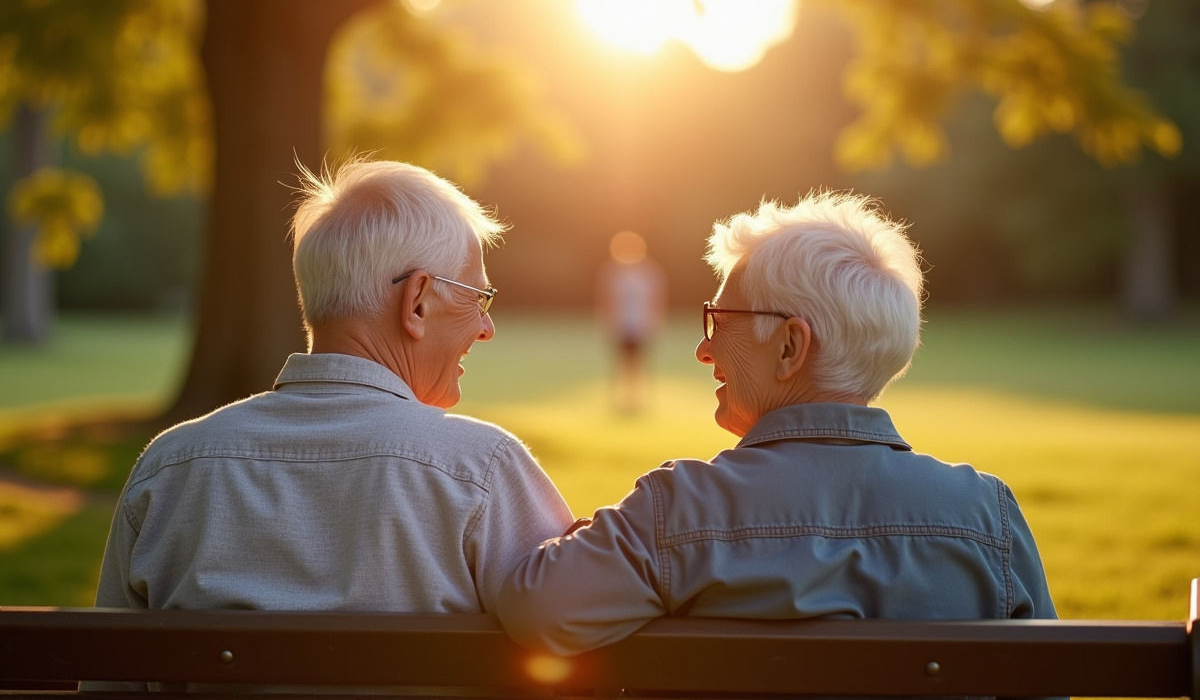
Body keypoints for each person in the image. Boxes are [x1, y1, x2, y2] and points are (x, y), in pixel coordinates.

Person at [496, 190, 1056, 655]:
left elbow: (533, 609)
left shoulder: (682, 509)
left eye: (720, 321)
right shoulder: (989, 520)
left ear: (790, 346)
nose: (703, 349)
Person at [94, 158, 573, 619]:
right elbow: (574, 648)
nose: (486, 327)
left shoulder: (169, 471)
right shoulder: (480, 472)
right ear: (418, 302)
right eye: (478, 297)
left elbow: (111, 687)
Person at [594, 231, 668, 412]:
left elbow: (656, 299)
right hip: (620, 325)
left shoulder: (648, 272)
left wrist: (654, 323)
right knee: (621, 364)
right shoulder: (612, 272)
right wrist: (608, 323)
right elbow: (606, 299)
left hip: (641, 325)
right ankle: (622, 402)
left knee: (639, 364)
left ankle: (636, 401)